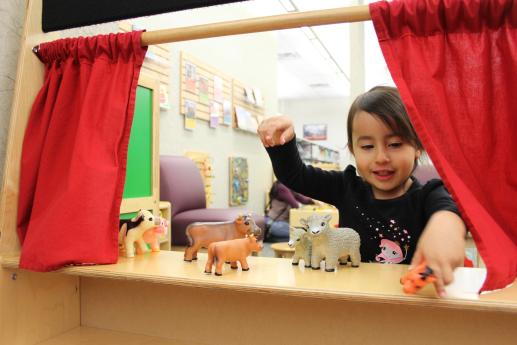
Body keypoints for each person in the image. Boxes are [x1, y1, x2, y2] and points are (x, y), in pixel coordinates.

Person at [257, 86, 466, 297]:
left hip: (408, 302)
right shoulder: (346, 188)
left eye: (395, 144)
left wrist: (445, 231)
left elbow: (448, 211)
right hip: (354, 301)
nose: (381, 157)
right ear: (353, 150)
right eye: (367, 146)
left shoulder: (429, 195)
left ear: (418, 147)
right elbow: (296, 175)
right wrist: (281, 144)